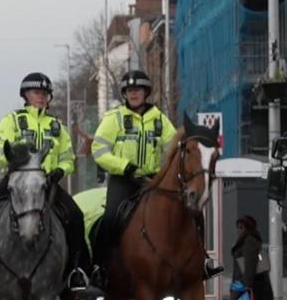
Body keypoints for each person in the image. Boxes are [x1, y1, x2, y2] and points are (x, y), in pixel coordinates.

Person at [0, 72, 94, 291]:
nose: (41, 97)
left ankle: (76, 270)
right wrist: (17, 162)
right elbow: (0, 148)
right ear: (25, 95)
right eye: (36, 93)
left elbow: (68, 157)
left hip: (48, 184)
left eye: (45, 93)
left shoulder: (57, 126)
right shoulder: (12, 121)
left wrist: (58, 173)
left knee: (75, 216)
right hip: (17, 181)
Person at [91, 69, 223, 278]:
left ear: (146, 93)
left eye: (138, 90)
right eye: (129, 91)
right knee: (110, 217)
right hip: (124, 179)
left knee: (193, 214)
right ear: (124, 94)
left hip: (154, 179)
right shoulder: (113, 119)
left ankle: (202, 261)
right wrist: (125, 167)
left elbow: (176, 151)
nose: (134, 94)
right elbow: (99, 151)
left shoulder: (160, 120)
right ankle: (100, 266)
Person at [222, 215, 284, 300]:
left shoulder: (249, 241)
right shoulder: (248, 240)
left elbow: (250, 264)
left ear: (247, 228)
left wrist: (246, 285)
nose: (238, 230)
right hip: (251, 283)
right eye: (238, 227)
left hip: (251, 284)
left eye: (241, 227)